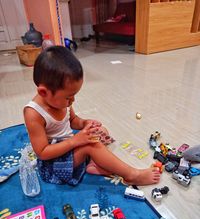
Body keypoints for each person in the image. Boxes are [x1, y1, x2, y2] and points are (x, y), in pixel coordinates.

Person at [24, 45, 160, 186]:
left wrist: (84, 123)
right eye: (69, 97)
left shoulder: (61, 101)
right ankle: (132, 175)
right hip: (54, 163)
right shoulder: (33, 114)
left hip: (70, 148)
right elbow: (42, 152)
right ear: (44, 92)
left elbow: (73, 120)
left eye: (74, 96)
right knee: (91, 145)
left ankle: (94, 164)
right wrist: (74, 141)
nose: (72, 101)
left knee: (101, 131)